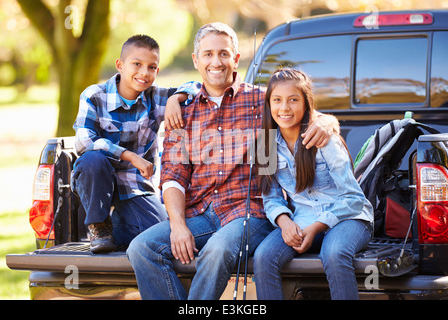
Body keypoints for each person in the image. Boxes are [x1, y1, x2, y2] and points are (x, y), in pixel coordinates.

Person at [126, 23, 339, 300]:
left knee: (216, 250)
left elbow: (306, 112)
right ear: (196, 60)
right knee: (141, 248)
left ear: (236, 59)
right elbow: (173, 176)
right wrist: (178, 225)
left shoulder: (262, 100)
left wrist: (327, 122)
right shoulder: (183, 112)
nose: (216, 62)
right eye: (208, 54)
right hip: (200, 214)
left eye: (224, 54)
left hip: (250, 213)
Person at [253, 68, 374, 300]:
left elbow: (353, 198)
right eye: (277, 100)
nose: (284, 108)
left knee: (334, 253)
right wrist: (285, 222)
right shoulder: (264, 144)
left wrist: (317, 227)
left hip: (349, 218)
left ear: (306, 104)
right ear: (268, 104)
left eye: (293, 100)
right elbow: (272, 197)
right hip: (302, 220)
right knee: (264, 256)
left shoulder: (323, 137)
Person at [72, 35, 198, 253]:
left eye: (151, 67)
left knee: (161, 237)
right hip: (99, 183)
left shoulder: (157, 97)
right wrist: (129, 155)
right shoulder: (94, 95)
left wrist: (175, 98)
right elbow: (84, 142)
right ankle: (99, 226)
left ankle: (115, 229)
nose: (144, 73)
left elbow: (197, 88)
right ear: (120, 65)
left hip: (136, 186)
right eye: (137, 64)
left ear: (157, 71)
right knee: (92, 159)